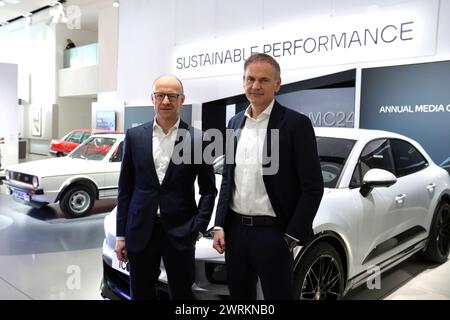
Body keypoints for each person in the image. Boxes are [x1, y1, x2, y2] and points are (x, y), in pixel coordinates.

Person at [212, 53, 324, 299]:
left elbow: (313, 187)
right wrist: (220, 223)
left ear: (277, 84)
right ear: (243, 81)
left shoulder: (296, 124)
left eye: (264, 80)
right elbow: (228, 180)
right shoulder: (234, 123)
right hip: (236, 233)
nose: (255, 86)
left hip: (274, 234)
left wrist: (291, 236)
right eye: (250, 79)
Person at [115, 75, 217, 300]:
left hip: (181, 232)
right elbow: (125, 189)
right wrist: (121, 234)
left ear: (182, 99)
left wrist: (198, 227)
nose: (166, 101)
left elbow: (209, 190)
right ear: (152, 98)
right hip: (141, 230)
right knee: (140, 292)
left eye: (172, 96)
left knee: (181, 293)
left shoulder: (199, 139)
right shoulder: (134, 137)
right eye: (160, 95)